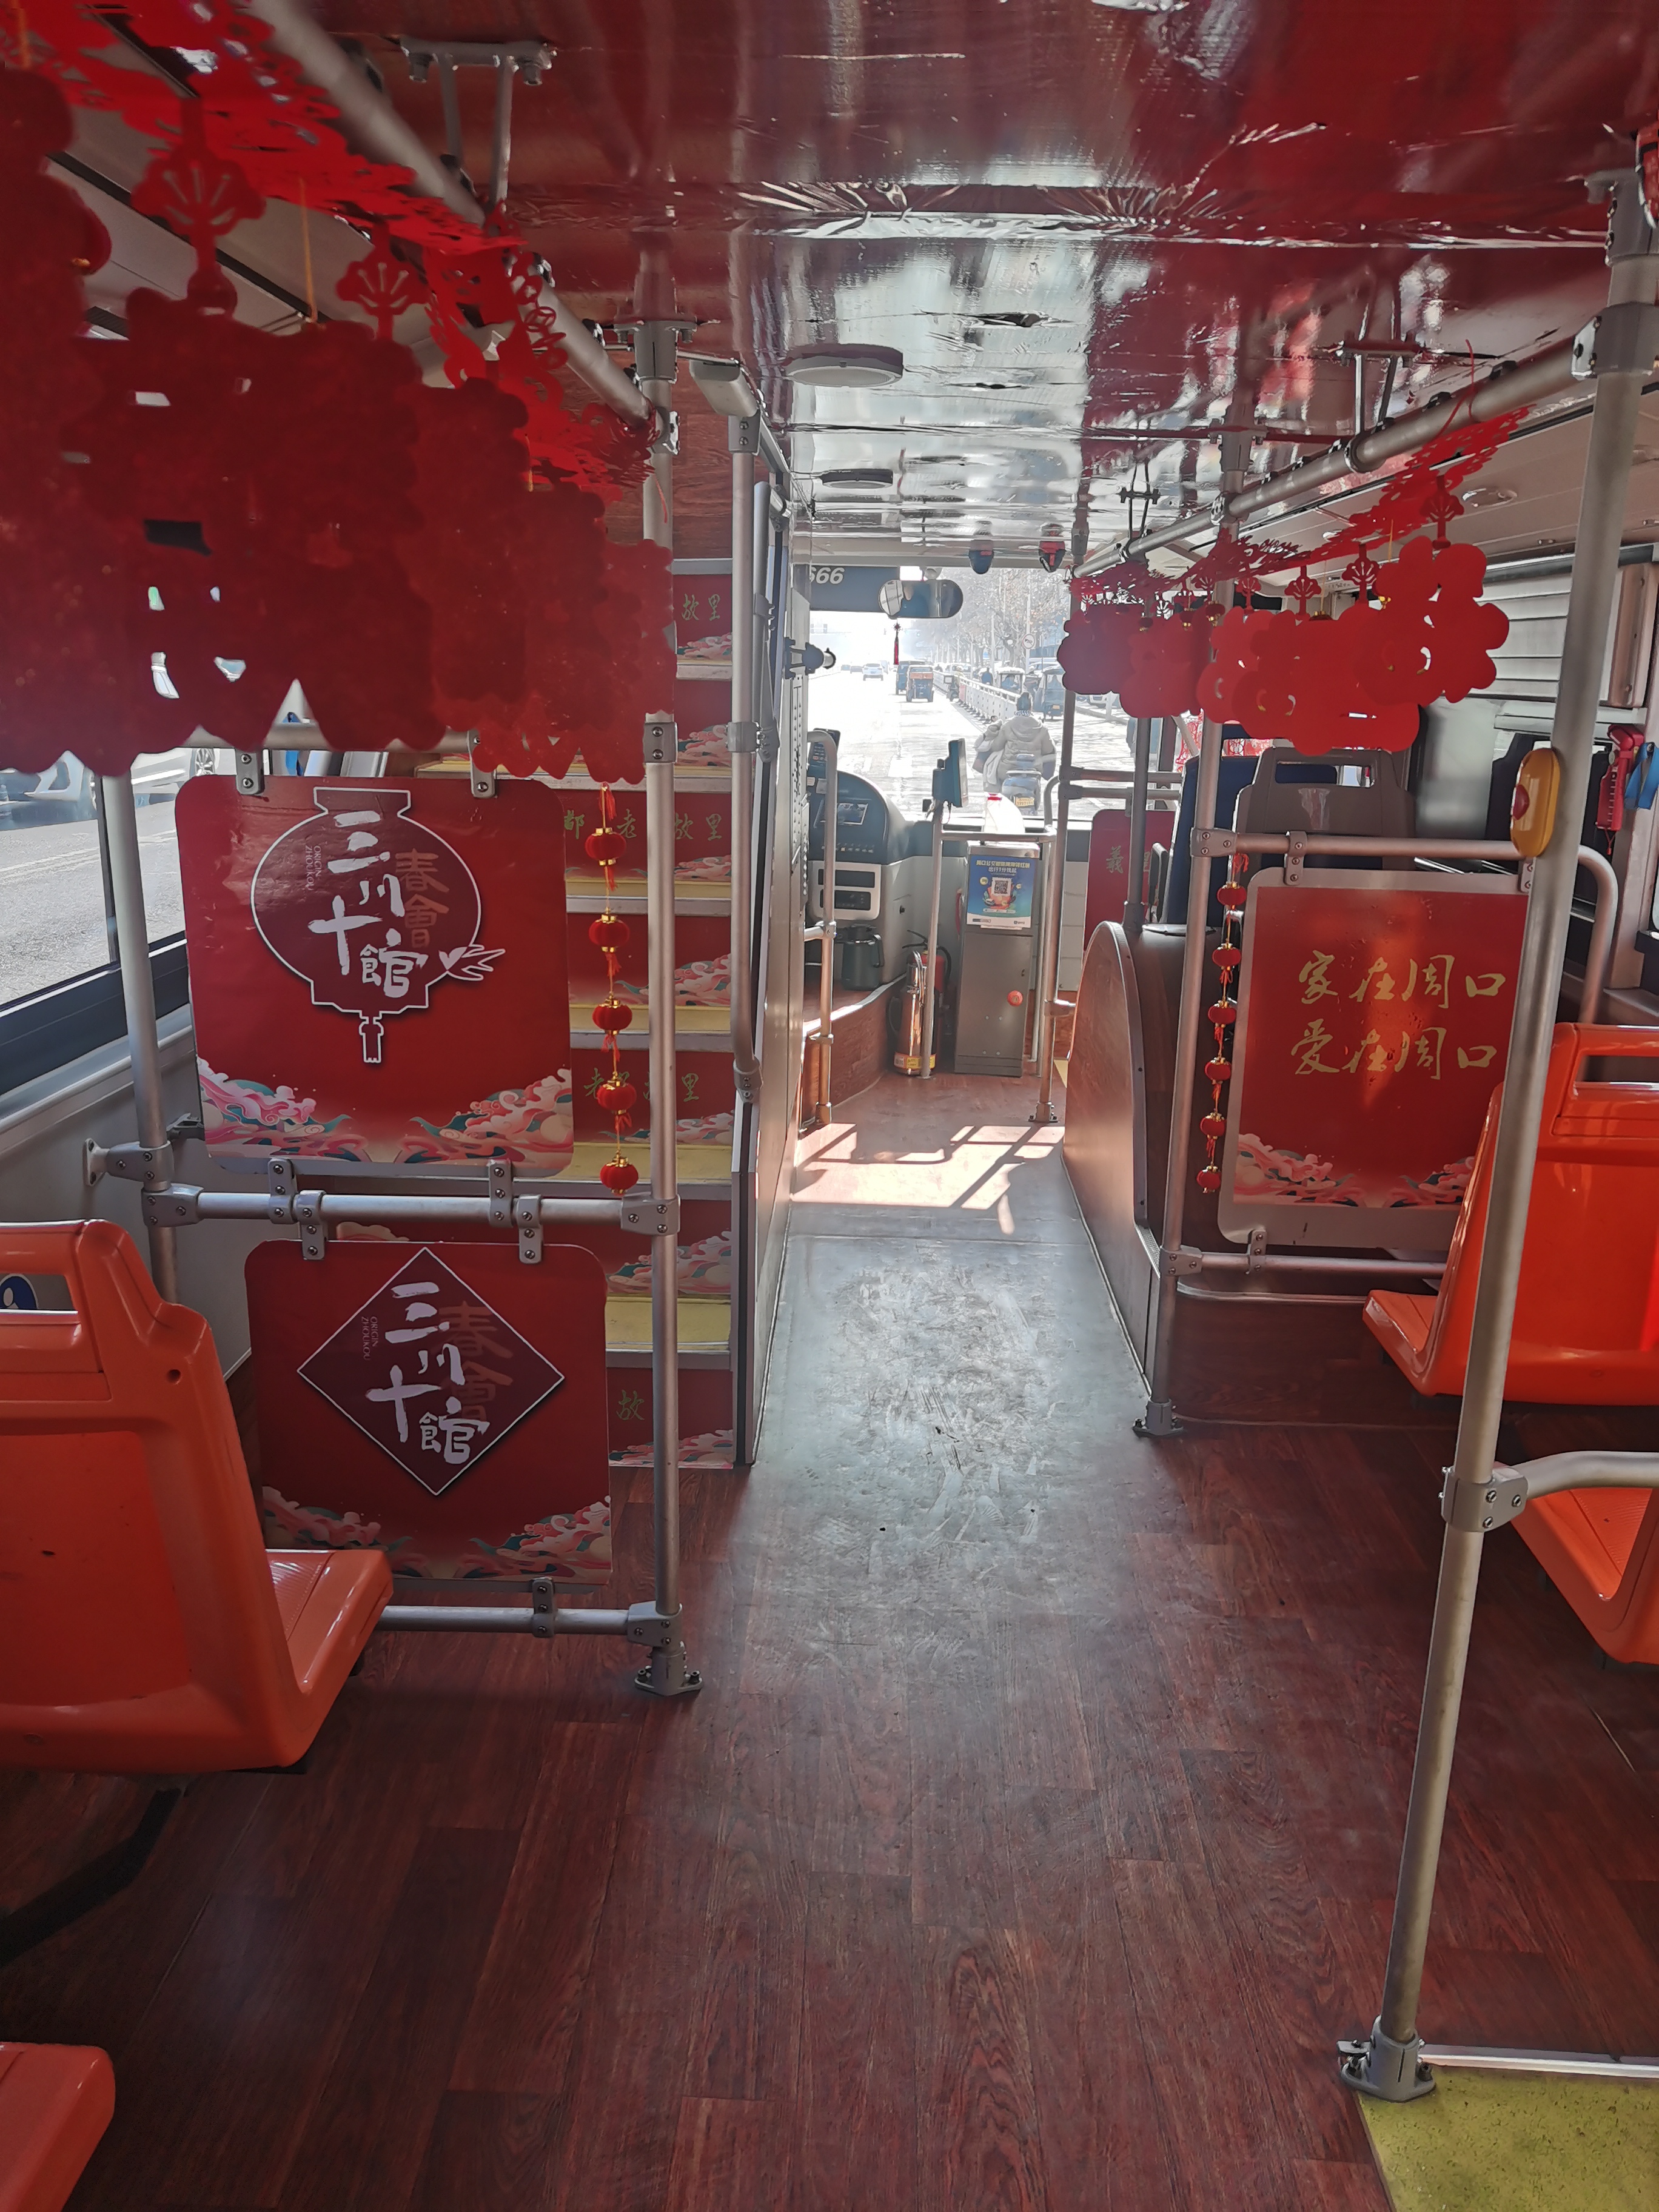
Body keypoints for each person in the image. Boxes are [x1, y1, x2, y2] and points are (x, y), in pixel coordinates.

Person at [977, 692, 1056, 810]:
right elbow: (1048, 749)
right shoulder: (1041, 727)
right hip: (1033, 770)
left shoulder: (1008, 725)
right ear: (1031, 707)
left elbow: (996, 747)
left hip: (1008, 770)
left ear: (1017, 707)